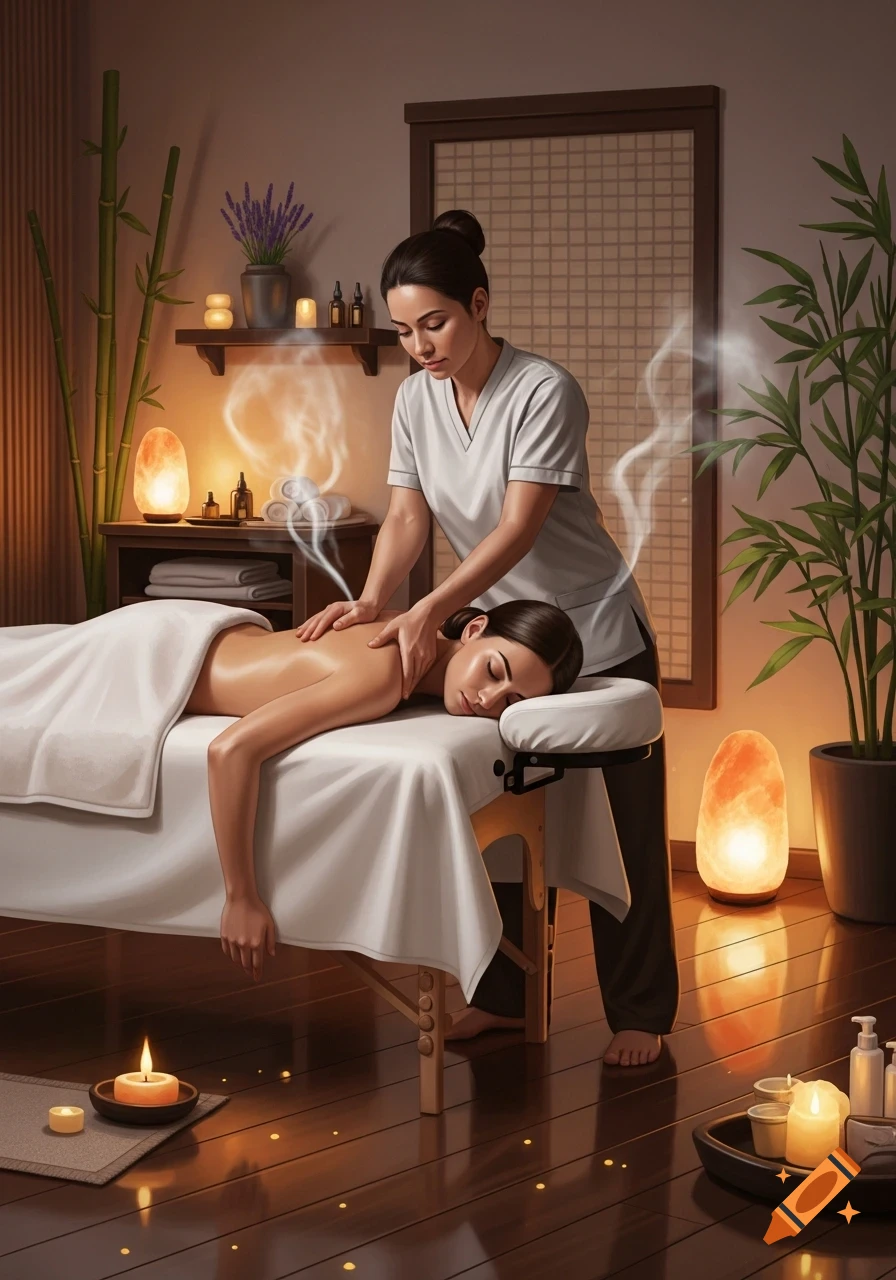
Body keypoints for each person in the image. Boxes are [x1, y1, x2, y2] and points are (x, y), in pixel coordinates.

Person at [296, 209, 679, 1068]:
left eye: (435, 322)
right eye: (403, 330)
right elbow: (405, 514)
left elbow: (514, 531)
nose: (420, 345)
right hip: (500, 644)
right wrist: (373, 599)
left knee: (625, 829)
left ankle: (643, 1009)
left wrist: (425, 610)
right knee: (499, 814)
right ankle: (503, 996)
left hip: (594, 634)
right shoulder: (413, 400)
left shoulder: (546, 391)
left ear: (479, 303)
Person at [190, 599, 582, 983]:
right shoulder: (383, 677)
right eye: (493, 671)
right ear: (474, 629)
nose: (487, 700)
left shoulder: (408, 624)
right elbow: (230, 750)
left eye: (512, 701)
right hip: (161, 663)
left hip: (206, 630)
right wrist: (241, 898)